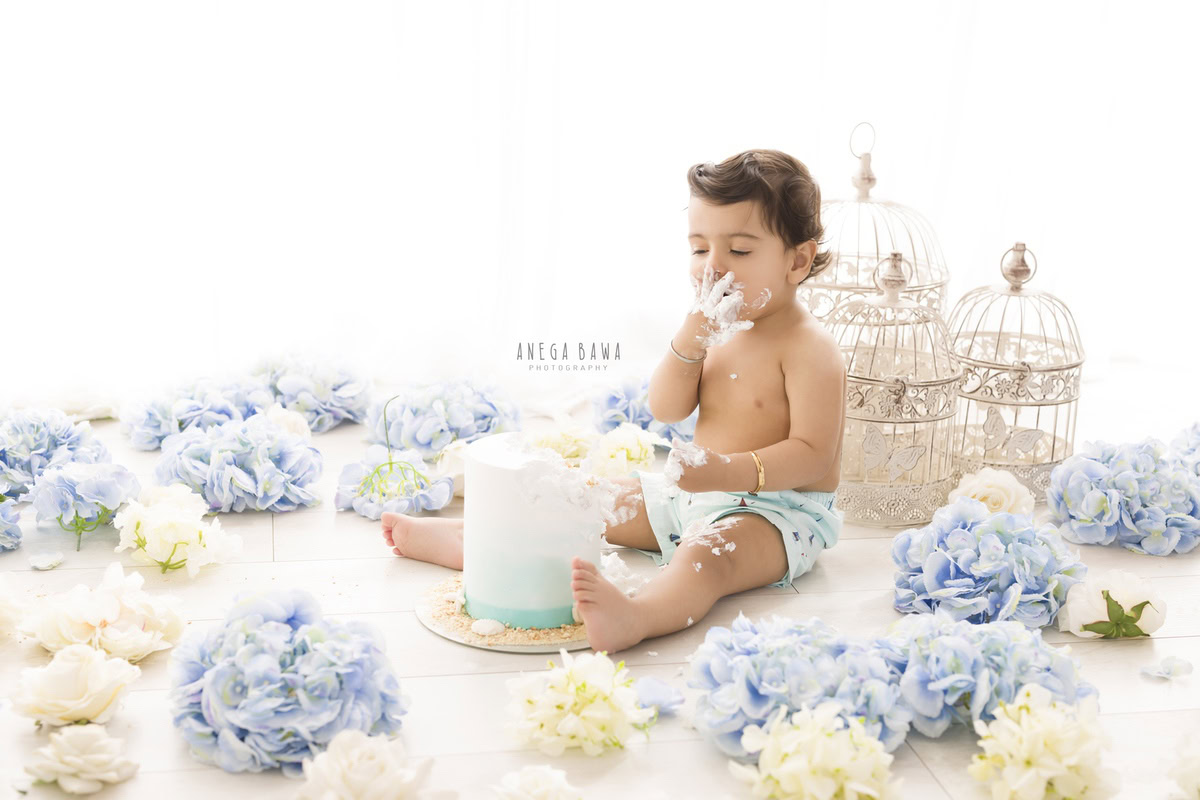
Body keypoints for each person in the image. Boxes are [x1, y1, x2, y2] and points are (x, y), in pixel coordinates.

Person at [382, 148, 846, 654]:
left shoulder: (810, 349)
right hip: (689, 496)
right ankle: (478, 542)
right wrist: (688, 343)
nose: (713, 267)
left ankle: (638, 616)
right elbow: (667, 408)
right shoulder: (715, 329)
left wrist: (726, 472)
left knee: (706, 558)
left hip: (776, 514)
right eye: (698, 249)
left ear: (797, 261)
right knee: (583, 498)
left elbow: (814, 456)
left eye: (738, 251)